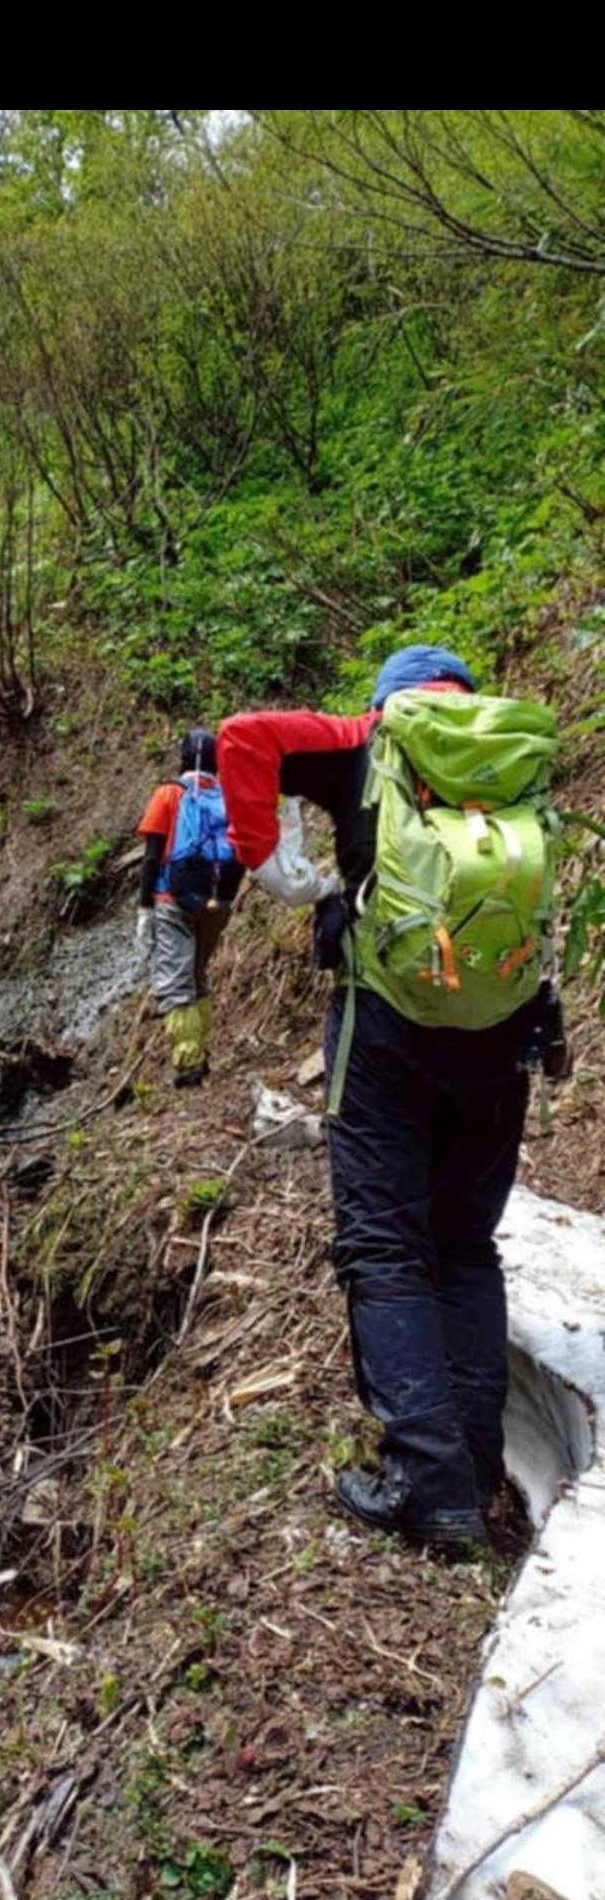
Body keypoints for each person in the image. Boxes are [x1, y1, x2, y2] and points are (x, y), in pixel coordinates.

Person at [217, 646, 568, 1554]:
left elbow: (243, 738)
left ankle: (427, 1483)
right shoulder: (509, 757)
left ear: (391, 699)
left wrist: (282, 873)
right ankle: (477, 1472)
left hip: (385, 1034)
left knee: (383, 1245)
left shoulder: (366, 739)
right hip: (502, 1036)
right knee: (464, 1246)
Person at [136, 729, 245, 1086]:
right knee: (197, 977)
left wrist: (144, 909)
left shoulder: (169, 794)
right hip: (217, 902)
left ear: (183, 758)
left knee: (176, 984)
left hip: (172, 901)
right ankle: (200, 1055)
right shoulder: (228, 798)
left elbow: (152, 857)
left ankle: (189, 1067)